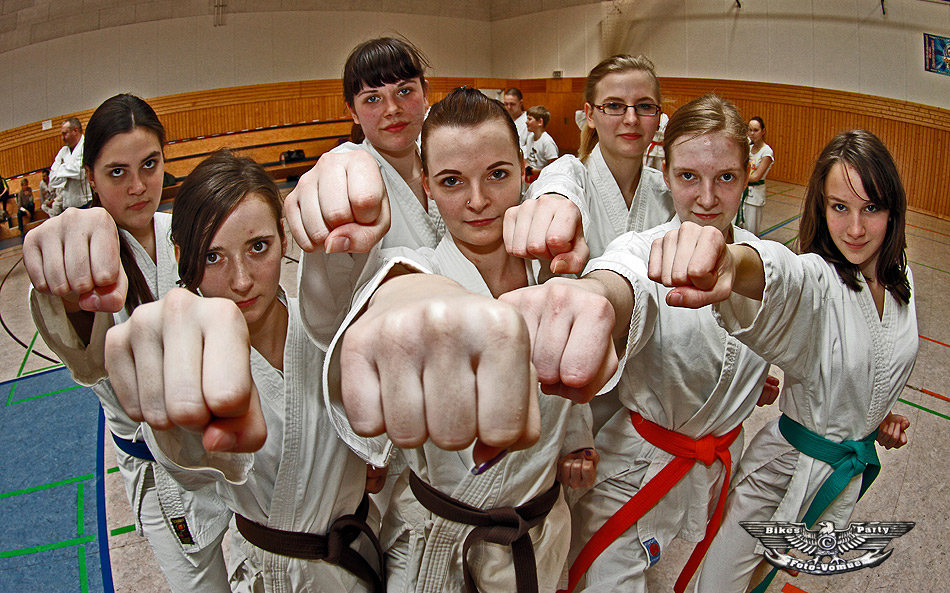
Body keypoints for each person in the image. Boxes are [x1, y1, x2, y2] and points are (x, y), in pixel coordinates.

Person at [509, 95, 773, 593]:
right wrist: (591, 297)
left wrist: (745, 378)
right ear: (665, 172)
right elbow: (619, 283)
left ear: (748, 175)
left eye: (726, 178)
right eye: (689, 177)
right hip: (633, 470)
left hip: (714, 468)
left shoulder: (767, 263)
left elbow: (788, 324)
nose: (707, 199)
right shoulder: (640, 248)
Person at [356, 87, 608, 593]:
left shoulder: (555, 272)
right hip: (440, 540)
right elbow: (387, 316)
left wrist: (577, 440)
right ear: (426, 186)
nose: (477, 201)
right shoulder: (412, 271)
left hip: (538, 528)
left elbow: (569, 375)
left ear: (523, 169)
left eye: (497, 174)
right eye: (452, 181)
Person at [645, 129, 917, 593]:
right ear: (819, 208)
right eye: (839, 207)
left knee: (763, 580)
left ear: (892, 208)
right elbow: (778, 274)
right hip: (782, 471)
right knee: (718, 585)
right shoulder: (818, 279)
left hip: (840, 472)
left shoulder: (900, 278)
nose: (854, 228)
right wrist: (731, 263)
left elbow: (871, 358)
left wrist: (875, 413)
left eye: (870, 207)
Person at [106, 150, 386, 593]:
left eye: (258, 248)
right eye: (214, 257)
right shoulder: (189, 369)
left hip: (361, 561)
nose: (241, 281)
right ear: (182, 257)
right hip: (269, 576)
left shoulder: (330, 330)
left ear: (284, 238)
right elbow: (192, 468)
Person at [24, 94, 231, 593]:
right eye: (117, 172)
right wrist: (65, 257)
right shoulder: (86, 259)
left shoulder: (184, 230)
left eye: (149, 165)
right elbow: (84, 351)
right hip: (160, 474)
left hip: (227, 448)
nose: (139, 187)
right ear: (89, 178)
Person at [286, 36, 445, 348]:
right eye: (372, 98)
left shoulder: (445, 160)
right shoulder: (350, 172)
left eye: (404, 91)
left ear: (426, 93)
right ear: (353, 112)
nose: (393, 109)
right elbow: (329, 317)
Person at [518, 54, 675, 262]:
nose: (631, 119)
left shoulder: (669, 194)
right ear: (590, 115)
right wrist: (554, 202)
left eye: (645, 106)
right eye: (613, 106)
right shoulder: (571, 175)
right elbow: (557, 183)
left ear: (658, 118)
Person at [737, 116, 774, 234]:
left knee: (751, 231)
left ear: (763, 131)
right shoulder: (748, 148)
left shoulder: (766, 152)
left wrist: (736, 177)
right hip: (741, 193)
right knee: (736, 227)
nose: (752, 133)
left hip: (755, 196)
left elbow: (756, 177)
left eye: (756, 130)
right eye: (750, 130)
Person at [49, 117, 93, 210]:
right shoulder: (63, 151)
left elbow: (78, 171)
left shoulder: (86, 147)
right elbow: (52, 180)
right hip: (67, 207)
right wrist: (69, 173)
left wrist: (61, 168)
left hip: (86, 204)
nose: (62, 138)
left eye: (65, 134)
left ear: (75, 131)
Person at [524, 105, 559, 180]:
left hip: (542, 179)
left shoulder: (547, 142)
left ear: (540, 122)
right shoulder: (530, 137)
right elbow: (528, 157)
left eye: (529, 119)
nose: (526, 122)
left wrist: (534, 171)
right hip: (530, 178)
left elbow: (554, 168)